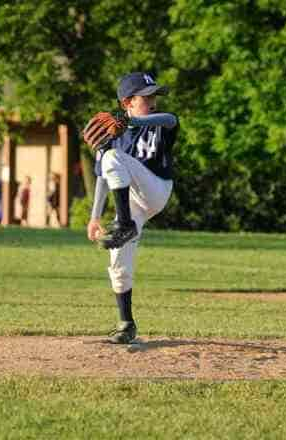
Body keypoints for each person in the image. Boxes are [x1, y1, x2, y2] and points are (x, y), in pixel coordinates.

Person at [86, 72, 179, 343]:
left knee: (113, 157)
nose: (153, 101)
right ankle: (126, 323)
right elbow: (104, 177)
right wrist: (94, 218)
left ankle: (124, 224)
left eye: (154, 96)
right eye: (146, 97)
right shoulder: (111, 138)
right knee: (118, 261)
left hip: (157, 188)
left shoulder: (159, 122)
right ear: (127, 100)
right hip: (133, 202)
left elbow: (171, 120)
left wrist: (131, 120)